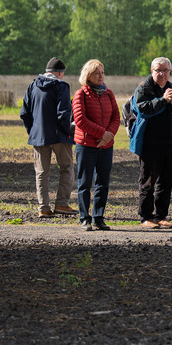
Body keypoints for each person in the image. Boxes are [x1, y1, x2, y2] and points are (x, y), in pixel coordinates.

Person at [132, 57, 172, 229]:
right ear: (152, 71)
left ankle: (161, 216)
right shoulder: (144, 87)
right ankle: (146, 217)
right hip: (151, 144)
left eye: (166, 70)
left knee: (167, 181)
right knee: (148, 181)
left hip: (171, 144)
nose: (162, 73)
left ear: (170, 72)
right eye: (158, 70)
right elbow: (143, 110)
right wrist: (163, 101)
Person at [20, 57, 75, 218]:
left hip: (38, 136)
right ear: (59, 73)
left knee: (41, 172)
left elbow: (24, 113)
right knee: (66, 168)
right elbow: (63, 114)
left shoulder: (33, 85)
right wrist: (69, 132)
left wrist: (33, 132)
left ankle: (43, 207)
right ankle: (61, 204)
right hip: (59, 136)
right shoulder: (61, 86)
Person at [71, 59, 119, 231]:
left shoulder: (109, 94)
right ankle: (85, 218)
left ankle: (98, 217)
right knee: (84, 183)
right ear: (88, 75)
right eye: (97, 73)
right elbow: (80, 120)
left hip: (106, 145)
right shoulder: (80, 94)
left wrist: (109, 136)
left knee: (103, 182)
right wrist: (102, 133)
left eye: (102, 73)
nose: (101, 76)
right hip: (86, 145)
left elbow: (116, 117)